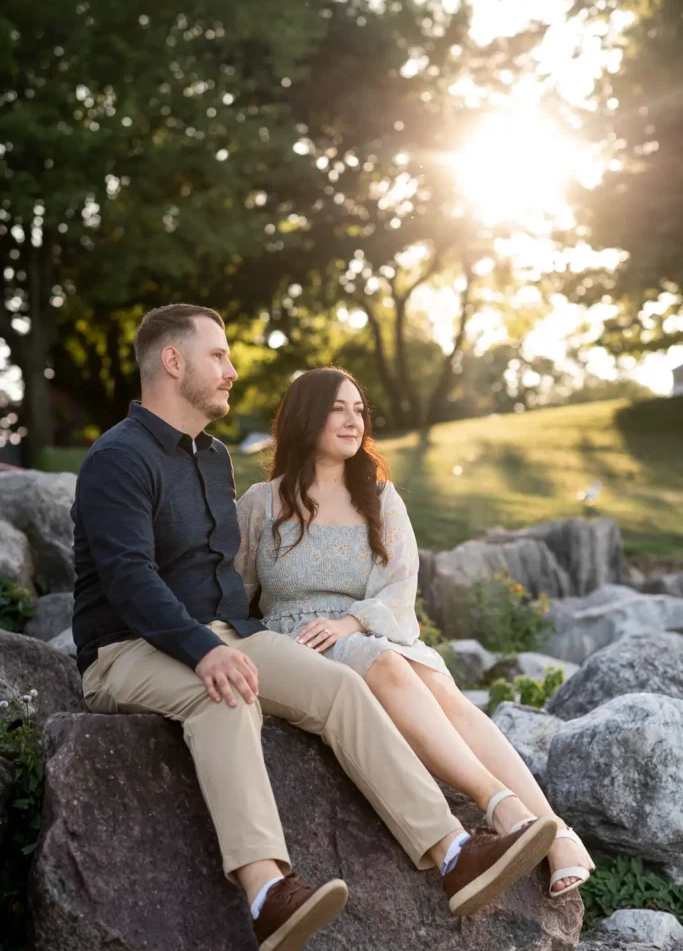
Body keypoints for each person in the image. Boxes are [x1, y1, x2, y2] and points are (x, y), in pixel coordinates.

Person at [71, 306, 558, 951]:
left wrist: (236, 638)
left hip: (218, 634)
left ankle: (451, 853)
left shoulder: (212, 460)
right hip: (125, 650)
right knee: (224, 696)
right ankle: (266, 892)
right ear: (173, 362)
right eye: (217, 356)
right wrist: (207, 650)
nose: (232, 371)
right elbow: (129, 579)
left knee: (338, 687)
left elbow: (225, 578)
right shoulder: (117, 458)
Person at [236, 366, 594, 899]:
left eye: (359, 410)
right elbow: (231, 593)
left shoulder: (380, 497)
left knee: (444, 692)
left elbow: (401, 587)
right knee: (386, 664)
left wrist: (353, 621)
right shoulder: (261, 504)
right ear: (306, 416)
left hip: (371, 630)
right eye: (338, 408)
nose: (352, 420)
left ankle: (556, 831)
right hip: (299, 645)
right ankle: (502, 806)